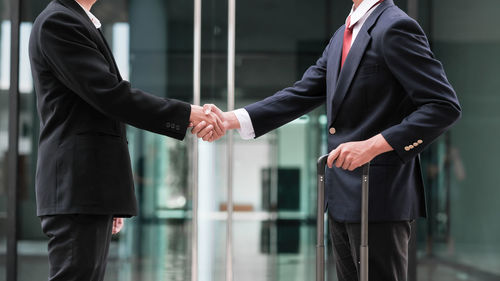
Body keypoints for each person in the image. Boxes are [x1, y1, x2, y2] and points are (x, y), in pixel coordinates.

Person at [195, 0, 461, 280]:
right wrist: (230, 120)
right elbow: (302, 93)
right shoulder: (341, 36)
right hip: (340, 197)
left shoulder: (396, 27)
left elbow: (443, 106)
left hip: (380, 196)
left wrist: (373, 146)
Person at [28, 0, 223, 280]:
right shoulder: (59, 22)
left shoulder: (77, 20)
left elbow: (100, 111)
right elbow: (110, 96)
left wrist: (109, 193)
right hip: (76, 185)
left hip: (87, 188)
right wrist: (187, 114)